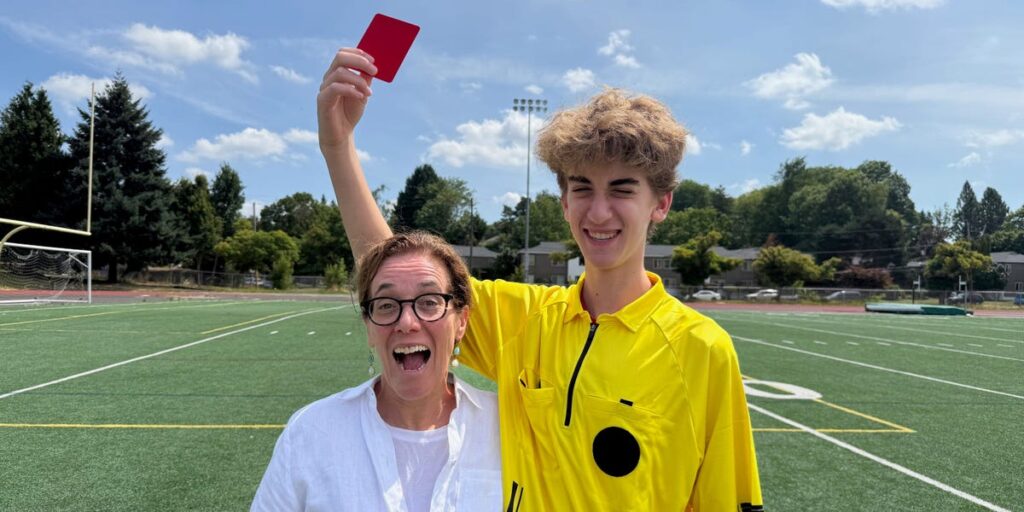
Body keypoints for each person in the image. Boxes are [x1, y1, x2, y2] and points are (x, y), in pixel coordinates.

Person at [318, 47, 763, 510]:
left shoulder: (702, 349)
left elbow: (727, 499)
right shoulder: (522, 320)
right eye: (582, 188)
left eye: (622, 189)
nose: (599, 211)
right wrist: (338, 146)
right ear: (565, 203)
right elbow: (394, 273)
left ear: (661, 204)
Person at [251, 231, 502, 511]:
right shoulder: (310, 432)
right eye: (385, 305)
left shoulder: (504, 428)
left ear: (461, 322)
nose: (407, 322)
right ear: (369, 326)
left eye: (429, 302)